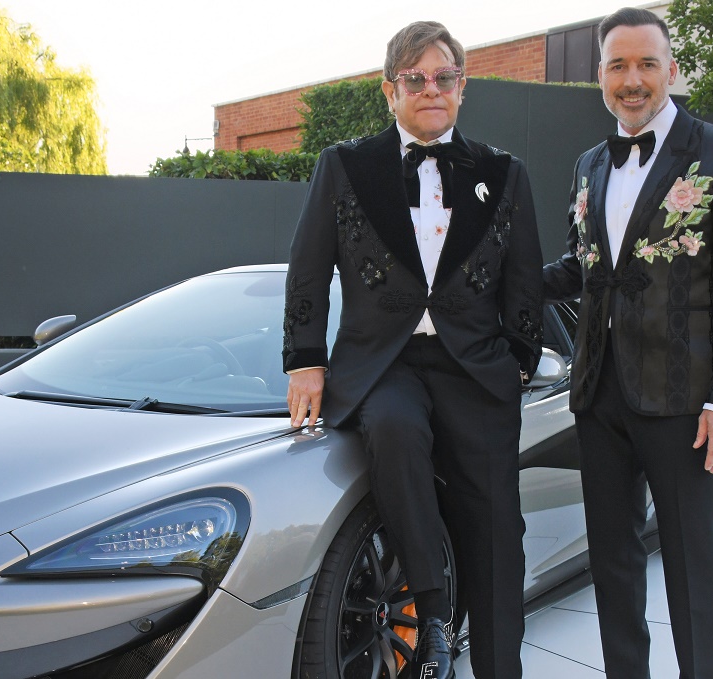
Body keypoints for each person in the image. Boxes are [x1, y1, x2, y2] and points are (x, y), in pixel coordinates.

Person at [283, 20, 543, 679]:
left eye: (444, 77)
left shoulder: (503, 173)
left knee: (496, 532)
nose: (431, 89)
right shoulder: (343, 166)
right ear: (389, 90)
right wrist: (305, 359)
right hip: (384, 365)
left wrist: (519, 360)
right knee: (394, 429)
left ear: (462, 87)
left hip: (475, 371)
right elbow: (308, 268)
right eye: (415, 78)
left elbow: (524, 278)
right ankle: (433, 618)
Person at [542, 7, 713, 679]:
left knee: (692, 567)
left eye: (646, 64)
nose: (632, 79)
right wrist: (501, 279)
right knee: (611, 566)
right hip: (598, 395)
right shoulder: (589, 164)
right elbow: (585, 266)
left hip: (685, 402)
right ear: (600, 76)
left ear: (670, 70)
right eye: (618, 65)